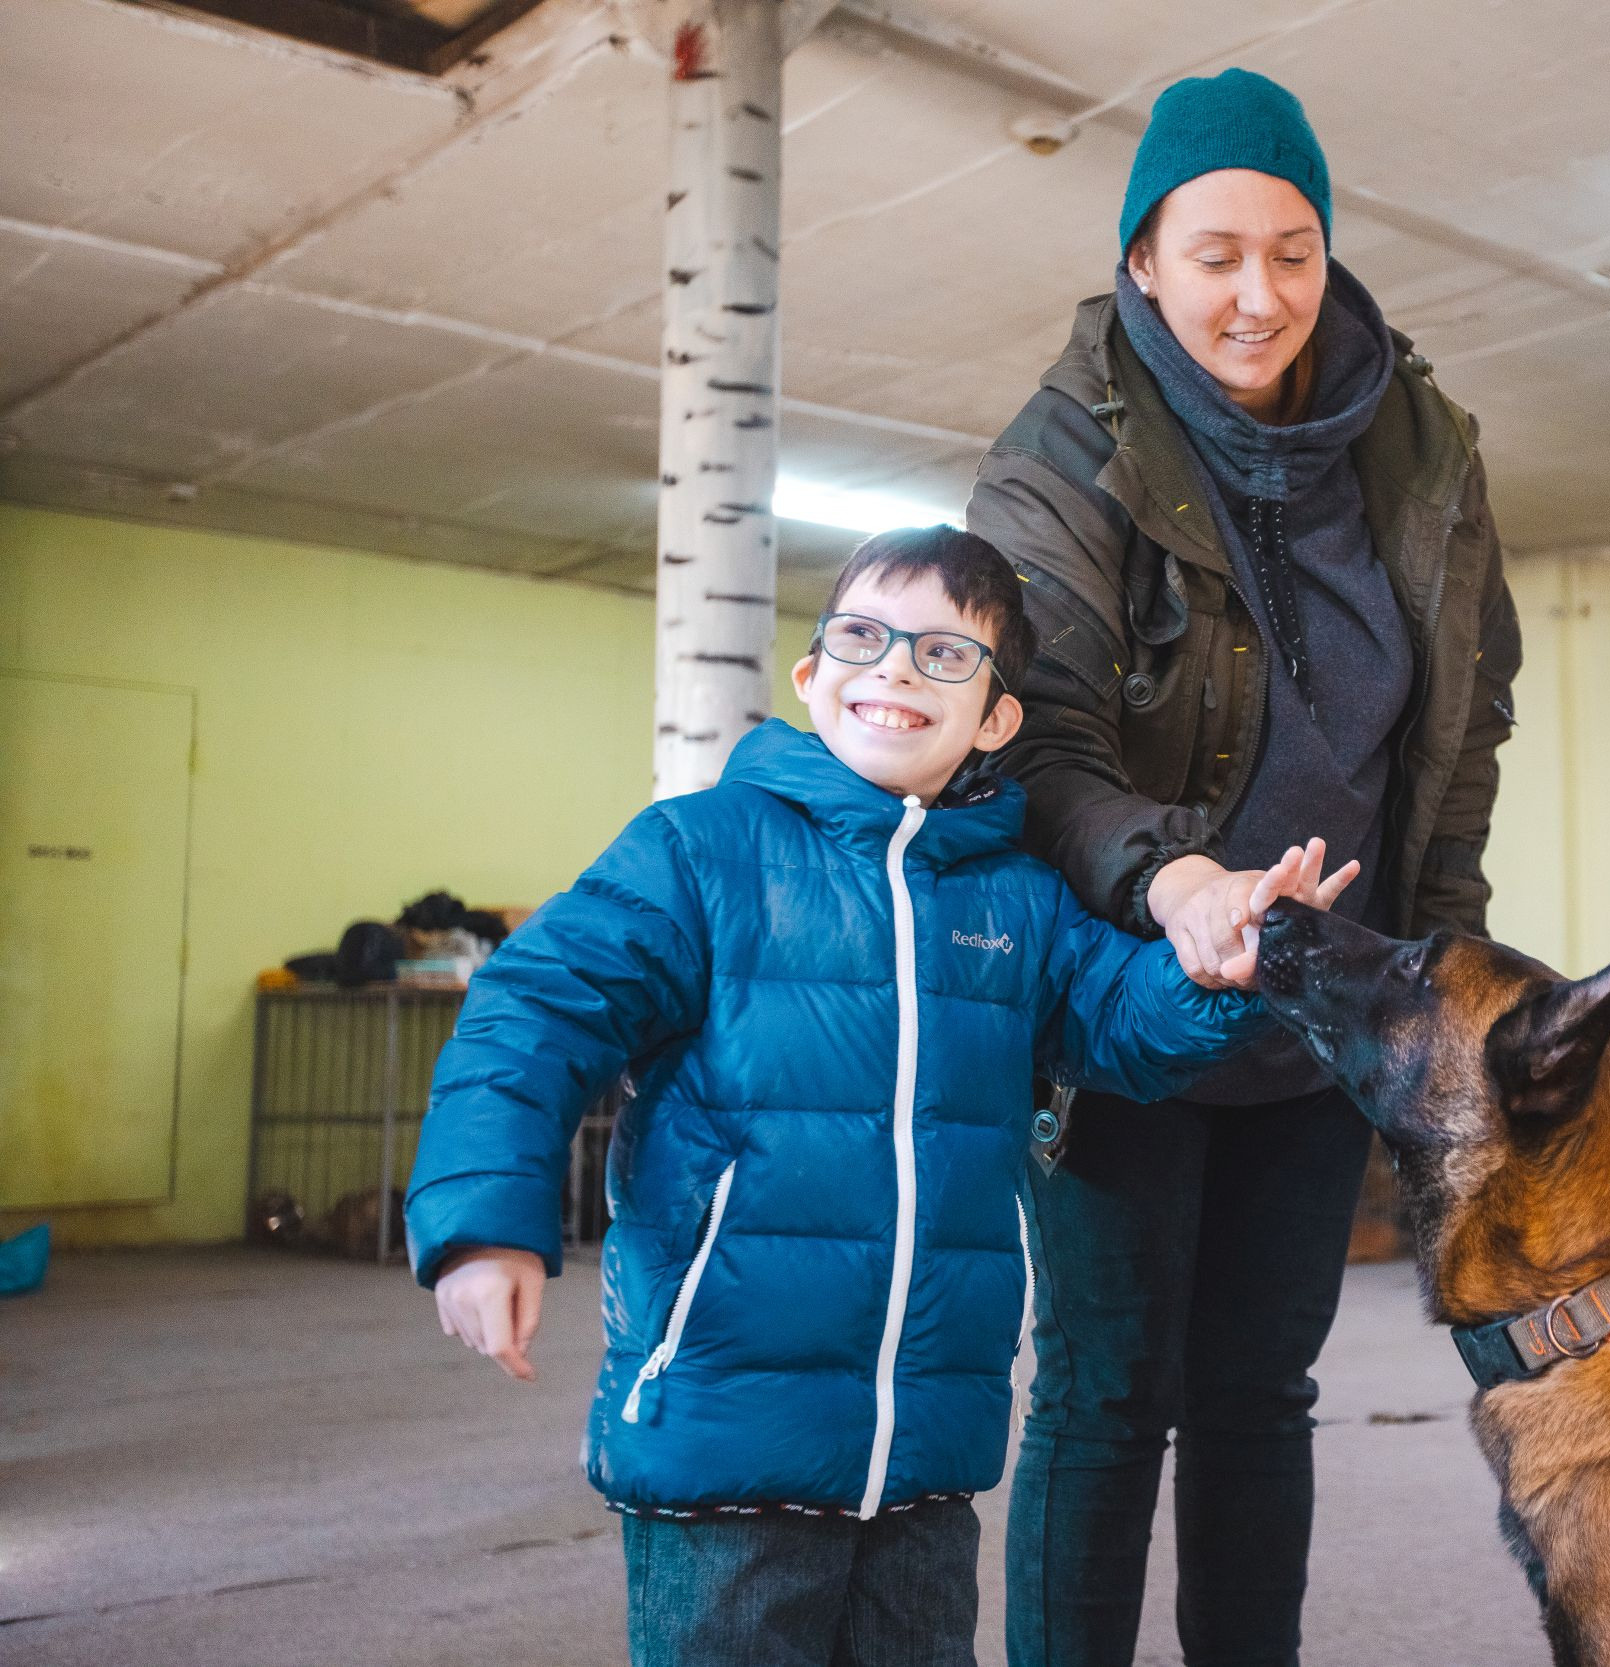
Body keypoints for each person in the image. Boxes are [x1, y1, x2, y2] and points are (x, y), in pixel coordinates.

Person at [404, 526, 1355, 1667]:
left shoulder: (1017, 895)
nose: (897, 669)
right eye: (864, 636)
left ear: (998, 717)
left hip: (924, 1461)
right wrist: (481, 1222)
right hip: (726, 1448)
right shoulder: (702, 852)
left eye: (945, 655)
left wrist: (1216, 964)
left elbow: (1121, 1022)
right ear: (811, 677)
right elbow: (533, 1009)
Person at [968, 69, 1523, 1667]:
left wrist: (1449, 956)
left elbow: (1459, 725)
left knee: (1261, 1388)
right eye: (1214, 253)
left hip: (1324, 1004)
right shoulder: (1065, 449)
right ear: (1142, 258)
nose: (1258, 294)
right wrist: (1175, 885)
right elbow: (1040, 742)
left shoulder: (1419, 445)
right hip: (1132, 999)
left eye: (1293, 250)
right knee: (1106, 1382)